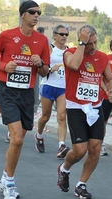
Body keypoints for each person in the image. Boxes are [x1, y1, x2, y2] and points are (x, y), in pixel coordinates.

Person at [0, 0, 50, 199]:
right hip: (7, 91)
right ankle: (10, 184)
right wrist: (3, 66)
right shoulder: (6, 35)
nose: (36, 15)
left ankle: (5, 177)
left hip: (27, 93)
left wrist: (40, 64)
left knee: (18, 138)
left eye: (39, 12)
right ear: (23, 15)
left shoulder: (42, 40)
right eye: (32, 12)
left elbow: (45, 72)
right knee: (18, 139)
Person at [56, 25, 112, 199]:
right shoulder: (70, 53)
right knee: (80, 150)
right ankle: (64, 168)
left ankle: (81, 184)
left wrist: (110, 90)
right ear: (81, 42)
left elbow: (109, 78)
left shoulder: (102, 57)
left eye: (95, 42)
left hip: (95, 107)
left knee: (95, 149)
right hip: (75, 107)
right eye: (90, 44)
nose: (94, 47)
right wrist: (82, 45)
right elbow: (73, 66)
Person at [35, 24, 70, 158]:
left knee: (62, 117)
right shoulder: (50, 49)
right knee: (45, 116)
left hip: (63, 87)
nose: (64, 37)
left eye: (66, 34)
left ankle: (61, 145)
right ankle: (39, 135)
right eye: (61, 34)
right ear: (55, 35)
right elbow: (41, 68)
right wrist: (50, 69)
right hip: (48, 85)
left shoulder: (69, 51)